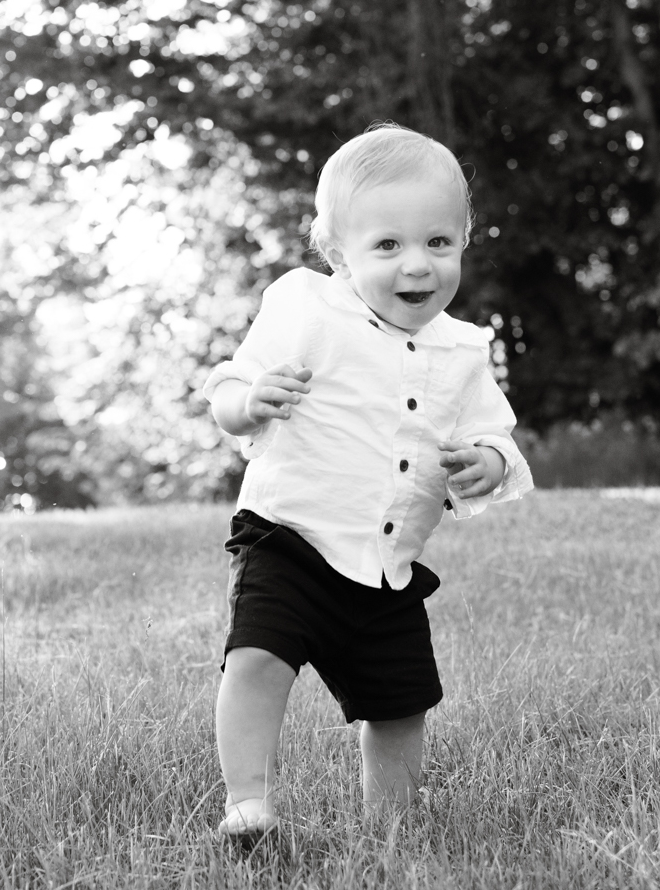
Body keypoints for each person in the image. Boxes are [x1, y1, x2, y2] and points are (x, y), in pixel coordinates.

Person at [202, 123, 533, 843]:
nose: (417, 264)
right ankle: (248, 805)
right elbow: (229, 384)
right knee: (257, 658)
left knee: (400, 705)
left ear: (464, 240)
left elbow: (496, 436)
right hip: (288, 536)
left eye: (438, 242)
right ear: (337, 251)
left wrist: (489, 462)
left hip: (385, 567)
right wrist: (249, 400)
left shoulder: (464, 350)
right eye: (388, 245)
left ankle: (394, 829)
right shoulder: (306, 306)